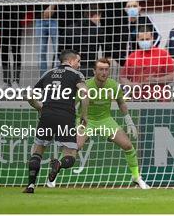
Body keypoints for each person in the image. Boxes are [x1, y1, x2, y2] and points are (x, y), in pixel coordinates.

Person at [60, 58, 149, 189]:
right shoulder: (85, 86)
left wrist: (128, 120)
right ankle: (54, 174)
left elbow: (121, 102)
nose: (104, 72)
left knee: (128, 145)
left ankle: (136, 177)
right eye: (101, 69)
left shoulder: (113, 85)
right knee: (74, 147)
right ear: (94, 71)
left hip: (106, 120)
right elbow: (72, 105)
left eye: (107, 69)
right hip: (86, 121)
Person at [24, 49, 89, 194]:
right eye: (78, 61)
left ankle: (31, 185)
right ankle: (58, 164)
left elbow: (29, 96)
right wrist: (84, 115)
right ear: (71, 61)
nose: (79, 65)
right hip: (65, 117)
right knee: (70, 155)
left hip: (47, 115)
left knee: (37, 151)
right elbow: (85, 93)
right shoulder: (76, 74)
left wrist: (39, 107)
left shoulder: (48, 73)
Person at [120, 26, 174, 101]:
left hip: (159, 99)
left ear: (152, 38)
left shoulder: (162, 54)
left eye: (147, 39)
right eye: (142, 40)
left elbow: (173, 76)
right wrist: (132, 85)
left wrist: (156, 80)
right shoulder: (132, 56)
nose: (145, 41)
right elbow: (123, 77)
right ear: (137, 40)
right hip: (138, 99)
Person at [29, 0, 62, 76]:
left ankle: (57, 77)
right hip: (39, 20)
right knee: (41, 51)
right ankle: (43, 78)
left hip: (54, 19)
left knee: (57, 50)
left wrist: (51, 6)